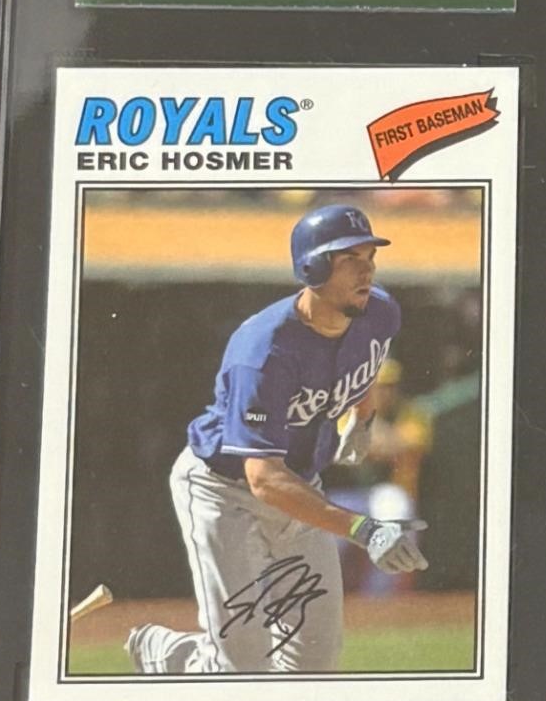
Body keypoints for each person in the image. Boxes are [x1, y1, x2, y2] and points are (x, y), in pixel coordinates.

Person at [125, 203, 427, 675]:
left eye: (370, 257)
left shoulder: (379, 311)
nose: (367, 270)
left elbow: (366, 363)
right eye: (350, 259)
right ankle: (170, 654)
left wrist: (362, 418)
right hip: (224, 491)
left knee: (315, 662)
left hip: (300, 487)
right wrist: (363, 530)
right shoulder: (263, 352)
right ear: (312, 268)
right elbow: (263, 478)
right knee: (241, 664)